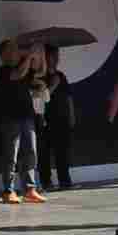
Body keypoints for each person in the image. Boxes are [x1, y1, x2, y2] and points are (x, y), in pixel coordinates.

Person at [0, 41, 44, 204]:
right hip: (10, 118)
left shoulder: (23, 66)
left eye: (16, 49)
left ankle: (30, 189)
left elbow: (40, 71)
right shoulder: (3, 71)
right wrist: (28, 55)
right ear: (4, 54)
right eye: (12, 50)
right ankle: (8, 191)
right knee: (11, 155)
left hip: (27, 116)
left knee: (31, 153)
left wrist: (39, 53)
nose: (16, 52)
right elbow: (19, 74)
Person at [40, 48, 74, 190]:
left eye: (56, 56)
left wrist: (71, 115)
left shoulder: (61, 75)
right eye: (52, 56)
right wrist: (53, 84)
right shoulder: (40, 76)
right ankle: (46, 182)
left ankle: (65, 181)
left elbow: (68, 97)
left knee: (62, 152)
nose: (56, 59)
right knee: (44, 153)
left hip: (62, 119)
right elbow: (41, 98)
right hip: (46, 119)